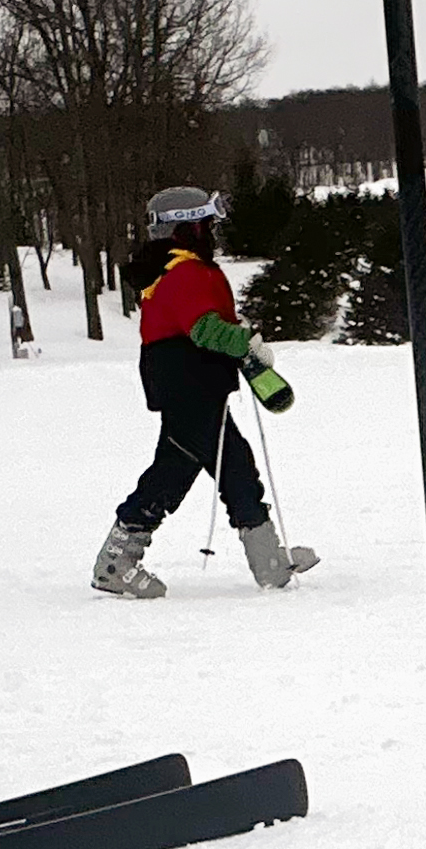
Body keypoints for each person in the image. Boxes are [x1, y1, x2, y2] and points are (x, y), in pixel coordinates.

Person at [93, 187, 317, 599]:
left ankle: (267, 561)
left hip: (191, 386)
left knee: (226, 469)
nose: (212, 231)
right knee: (183, 475)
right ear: (188, 227)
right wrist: (245, 342)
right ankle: (116, 563)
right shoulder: (185, 273)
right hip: (189, 387)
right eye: (206, 224)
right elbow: (204, 329)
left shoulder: (177, 270)